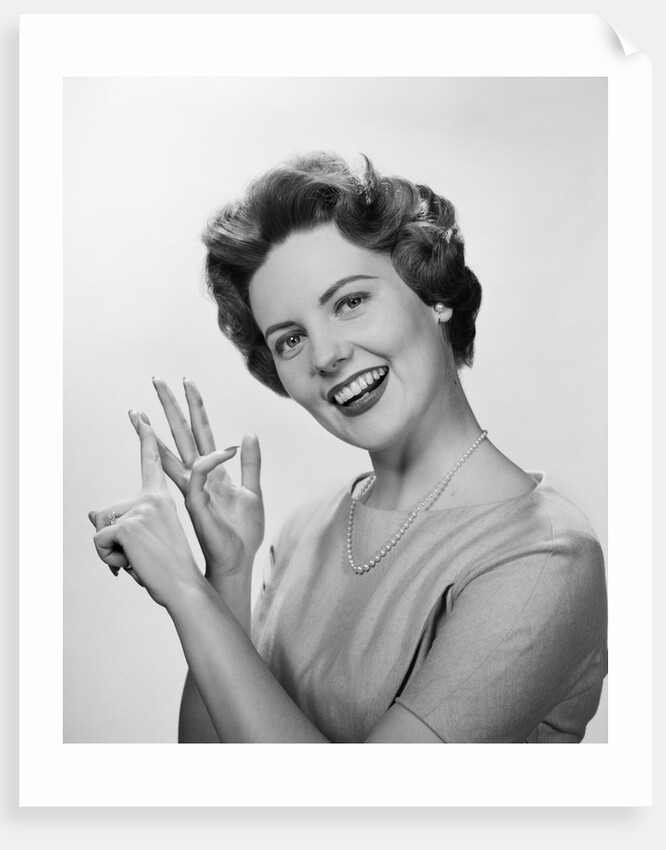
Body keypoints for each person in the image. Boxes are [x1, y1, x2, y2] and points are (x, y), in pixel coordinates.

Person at [89, 153, 608, 743]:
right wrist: (226, 577)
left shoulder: (544, 558)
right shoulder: (306, 530)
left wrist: (186, 593)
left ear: (434, 293)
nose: (325, 355)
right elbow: (211, 774)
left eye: (350, 302)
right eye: (290, 339)